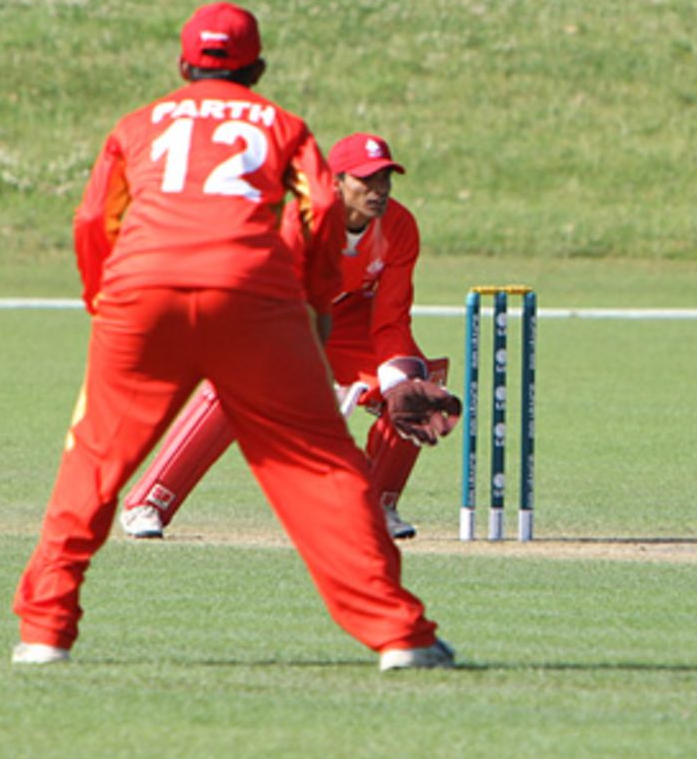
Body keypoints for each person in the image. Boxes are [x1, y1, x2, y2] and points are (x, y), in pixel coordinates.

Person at [11, 2, 459, 671]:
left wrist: (104, 303)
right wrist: (312, 311)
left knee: (92, 462)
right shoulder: (283, 126)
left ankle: (46, 631)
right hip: (250, 297)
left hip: (140, 295)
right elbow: (320, 207)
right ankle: (401, 636)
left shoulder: (136, 124)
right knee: (319, 468)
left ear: (183, 65)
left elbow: (93, 220)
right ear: (258, 68)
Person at [117, 132, 449, 542]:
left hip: (345, 319)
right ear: (335, 182)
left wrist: (398, 383)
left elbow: (391, 318)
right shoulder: (300, 222)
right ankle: (150, 501)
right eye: (366, 180)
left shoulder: (399, 225)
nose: (378, 190)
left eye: (384, 179)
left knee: (416, 388)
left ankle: (375, 505)